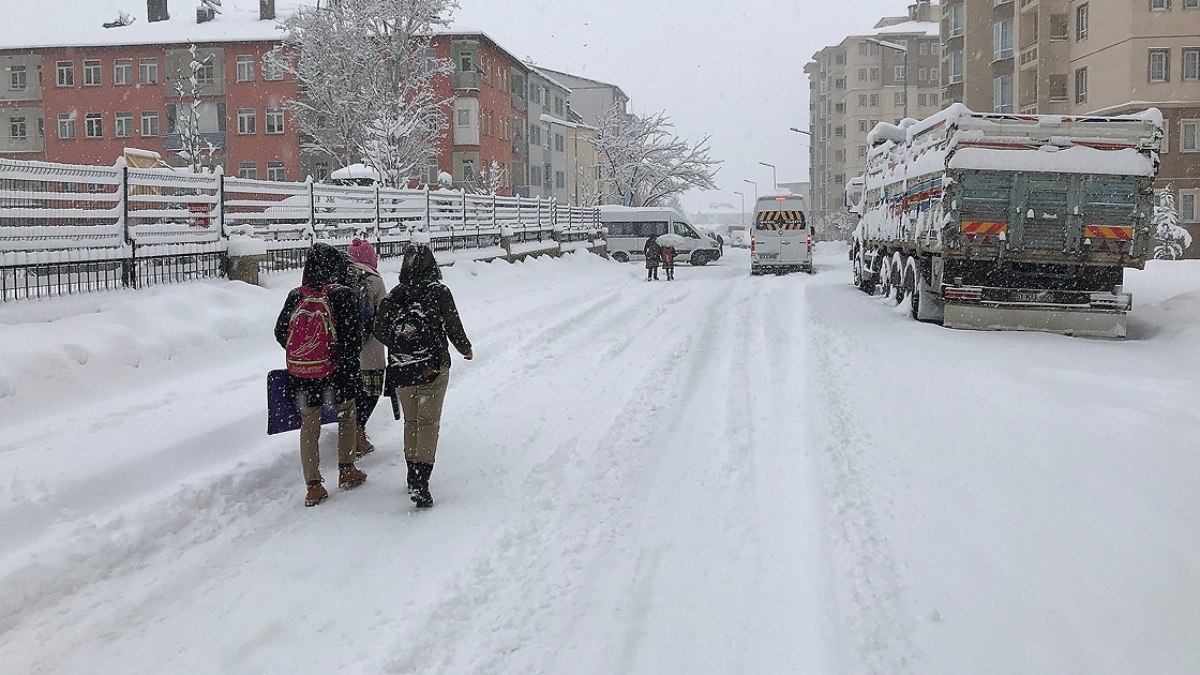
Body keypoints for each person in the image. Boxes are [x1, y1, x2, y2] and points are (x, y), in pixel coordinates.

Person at [374, 243, 473, 508]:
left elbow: (379, 329)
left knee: (412, 422)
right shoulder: (439, 292)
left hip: (402, 368)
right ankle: (421, 480)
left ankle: (411, 474)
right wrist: (465, 348)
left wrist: (401, 342)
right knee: (428, 423)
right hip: (433, 367)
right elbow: (453, 324)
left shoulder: (395, 295)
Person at [274, 243, 367, 507]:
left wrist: (305, 352)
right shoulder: (342, 294)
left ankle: (313, 486)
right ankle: (347, 469)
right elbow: (353, 338)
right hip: (336, 373)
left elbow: (280, 332)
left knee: (309, 425)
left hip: (302, 375)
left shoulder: (296, 295)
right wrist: (339, 361)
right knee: (347, 414)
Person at [346, 237, 388, 458]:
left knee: (351, 393)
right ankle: (358, 431)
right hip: (371, 349)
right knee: (370, 392)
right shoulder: (375, 280)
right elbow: (385, 315)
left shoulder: (341, 278)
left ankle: (351, 432)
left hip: (346, 350)